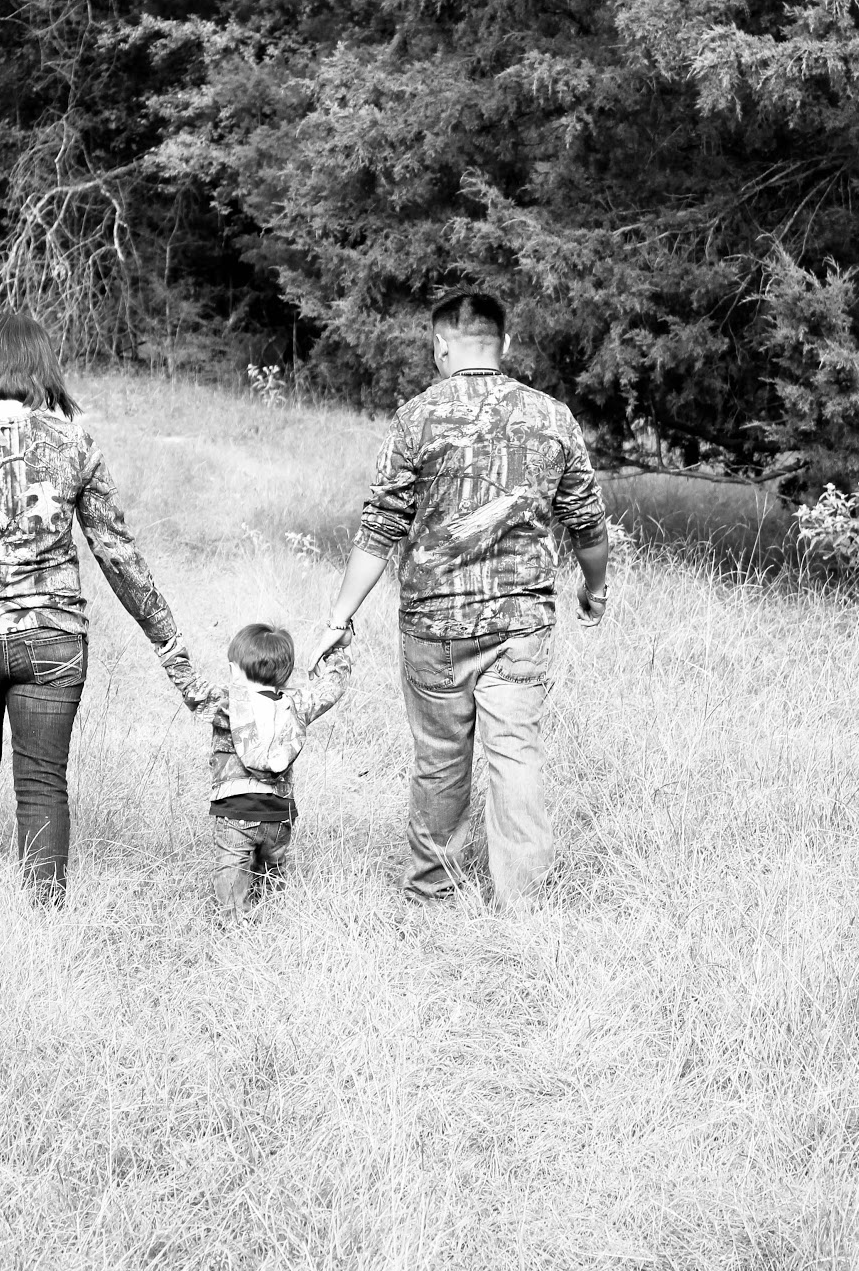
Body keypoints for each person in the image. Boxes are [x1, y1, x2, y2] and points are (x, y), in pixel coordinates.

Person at [0, 308, 204, 896]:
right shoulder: (74, 443)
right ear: (40, 366)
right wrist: (167, 638)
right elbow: (118, 554)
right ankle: (44, 915)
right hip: (54, 641)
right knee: (43, 783)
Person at [309, 290, 609, 910]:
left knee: (441, 757)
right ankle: (523, 902)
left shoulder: (415, 418)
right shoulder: (553, 418)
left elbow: (380, 527)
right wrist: (595, 589)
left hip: (434, 628)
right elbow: (588, 523)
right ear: (505, 344)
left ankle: (431, 889)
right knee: (515, 753)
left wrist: (339, 617)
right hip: (521, 625)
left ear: (441, 346)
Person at [197, 623, 352, 916]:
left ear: (234, 670)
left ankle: (236, 925)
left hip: (235, 811)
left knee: (231, 877)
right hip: (280, 814)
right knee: (271, 873)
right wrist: (339, 651)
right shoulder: (297, 704)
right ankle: (274, 914)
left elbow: (189, 687)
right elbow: (332, 686)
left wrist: (168, 648)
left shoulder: (227, 703)